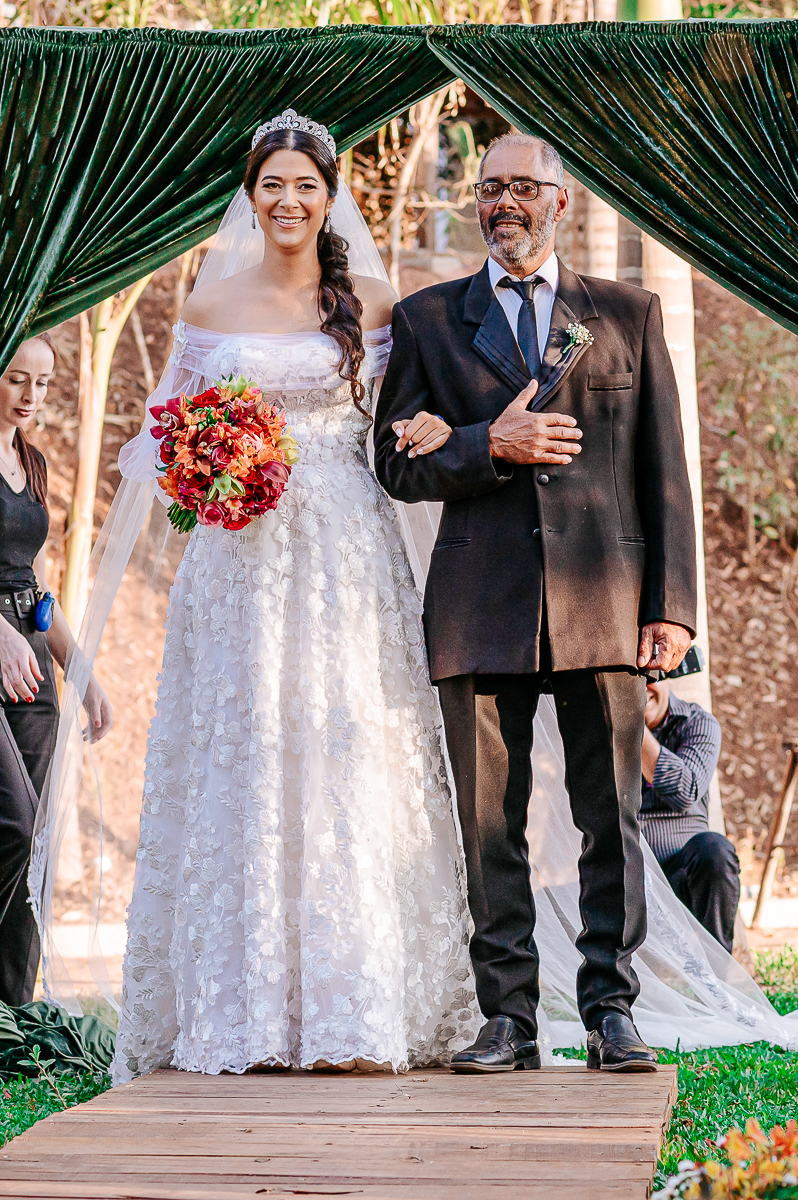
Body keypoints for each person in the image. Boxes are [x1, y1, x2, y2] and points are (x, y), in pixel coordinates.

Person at [110, 111, 481, 1083]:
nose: (286, 200)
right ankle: (243, 1010)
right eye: (270, 184)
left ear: (330, 196)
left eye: (303, 186)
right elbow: (161, 435)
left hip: (343, 552)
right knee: (243, 757)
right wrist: (200, 466)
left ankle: (357, 1003)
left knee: (347, 753)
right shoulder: (212, 298)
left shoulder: (369, 295)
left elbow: (402, 425)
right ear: (252, 194)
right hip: (236, 563)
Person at [374, 132, 697, 1075]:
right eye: (488, 190)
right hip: (478, 606)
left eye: (522, 188)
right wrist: (487, 445)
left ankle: (611, 1009)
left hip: (606, 602)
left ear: (562, 203)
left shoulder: (627, 313)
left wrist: (670, 604)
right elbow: (395, 466)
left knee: (613, 814)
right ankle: (507, 1016)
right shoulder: (431, 320)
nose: (503, 204)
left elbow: (664, 471)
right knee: (489, 822)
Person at [0, 334, 113, 1007]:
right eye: (17, 380)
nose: (31, 397)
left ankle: (14, 1008)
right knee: (9, 824)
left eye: (42, 384)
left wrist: (82, 669)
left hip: (32, 659)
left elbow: (37, 581)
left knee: (35, 837)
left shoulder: (32, 463)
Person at [641, 677, 738, 954]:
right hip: (621, 873)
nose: (641, 688)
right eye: (630, 682)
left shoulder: (698, 724)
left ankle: (717, 980)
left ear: (668, 675)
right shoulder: (596, 730)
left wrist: (629, 722)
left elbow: (684, 792)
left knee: (715, 850)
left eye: (649, 678)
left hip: (682, 876)